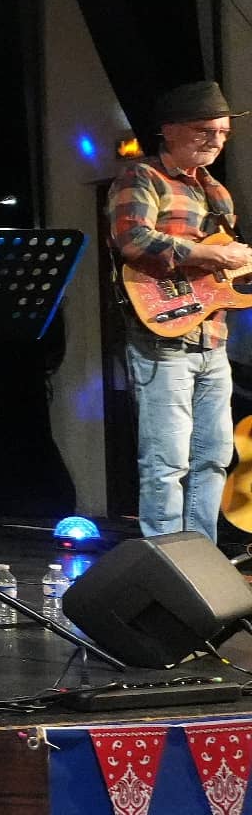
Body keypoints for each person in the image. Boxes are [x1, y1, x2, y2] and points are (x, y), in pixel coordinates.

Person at [106, 80, 252, 542]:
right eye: (204, 130)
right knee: (167, 461)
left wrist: (236, 268)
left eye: (223, 133)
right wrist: (211, 256)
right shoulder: (141, 178)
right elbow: (132, 240)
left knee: (213, 457)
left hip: (212, 338)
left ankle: (201, 558)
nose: (215, 140)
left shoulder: (218, 194)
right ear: (169, 131)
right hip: (161, 338)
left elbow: (223, 276)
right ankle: (167, 563)